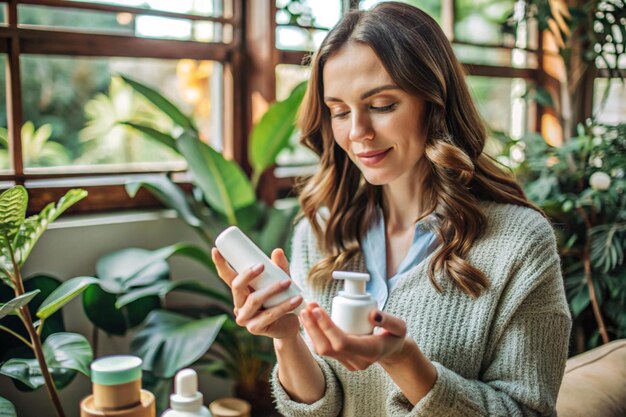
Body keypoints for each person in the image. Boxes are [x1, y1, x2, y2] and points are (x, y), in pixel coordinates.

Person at [211, 2, 571, 416]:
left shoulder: (518, 243)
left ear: (434, 102)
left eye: (381, 105)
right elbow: (318, 408)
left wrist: (403, 360)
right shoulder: (321, 231)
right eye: (340, 111)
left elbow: (528, 412)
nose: (358, 132)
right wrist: (287, 337)